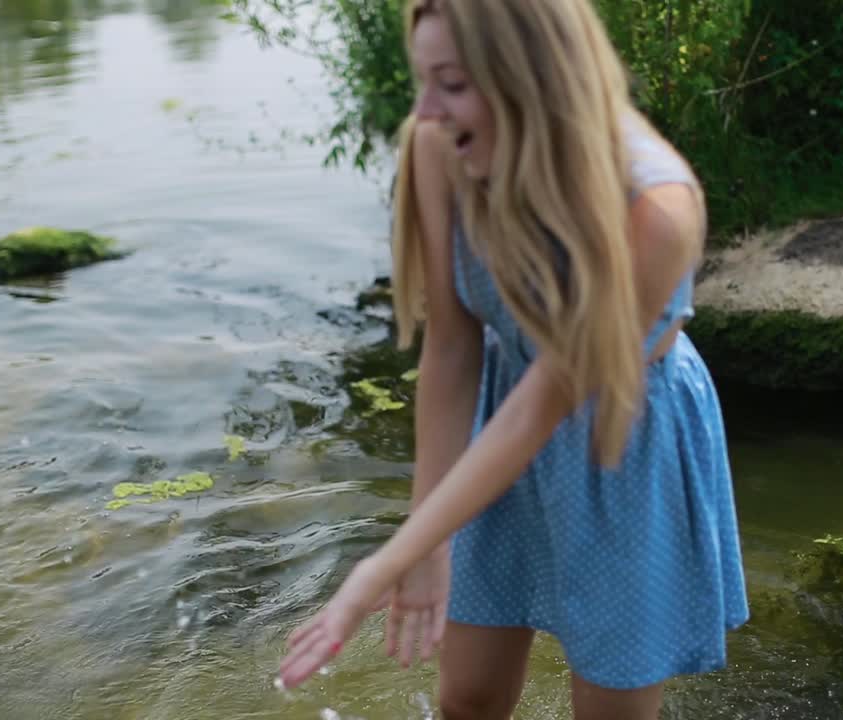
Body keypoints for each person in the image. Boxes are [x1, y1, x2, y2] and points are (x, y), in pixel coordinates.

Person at [279, 0, 749, 717]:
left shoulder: (657, 210)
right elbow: (452, 349)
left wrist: (384, 563)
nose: (427, 110)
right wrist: (428, 546)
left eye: (453, 83)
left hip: (623, 441)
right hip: (496, 419)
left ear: (529, 75)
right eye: (424, 80)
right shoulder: (441, 145)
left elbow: (546, 401)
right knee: (466, 702)